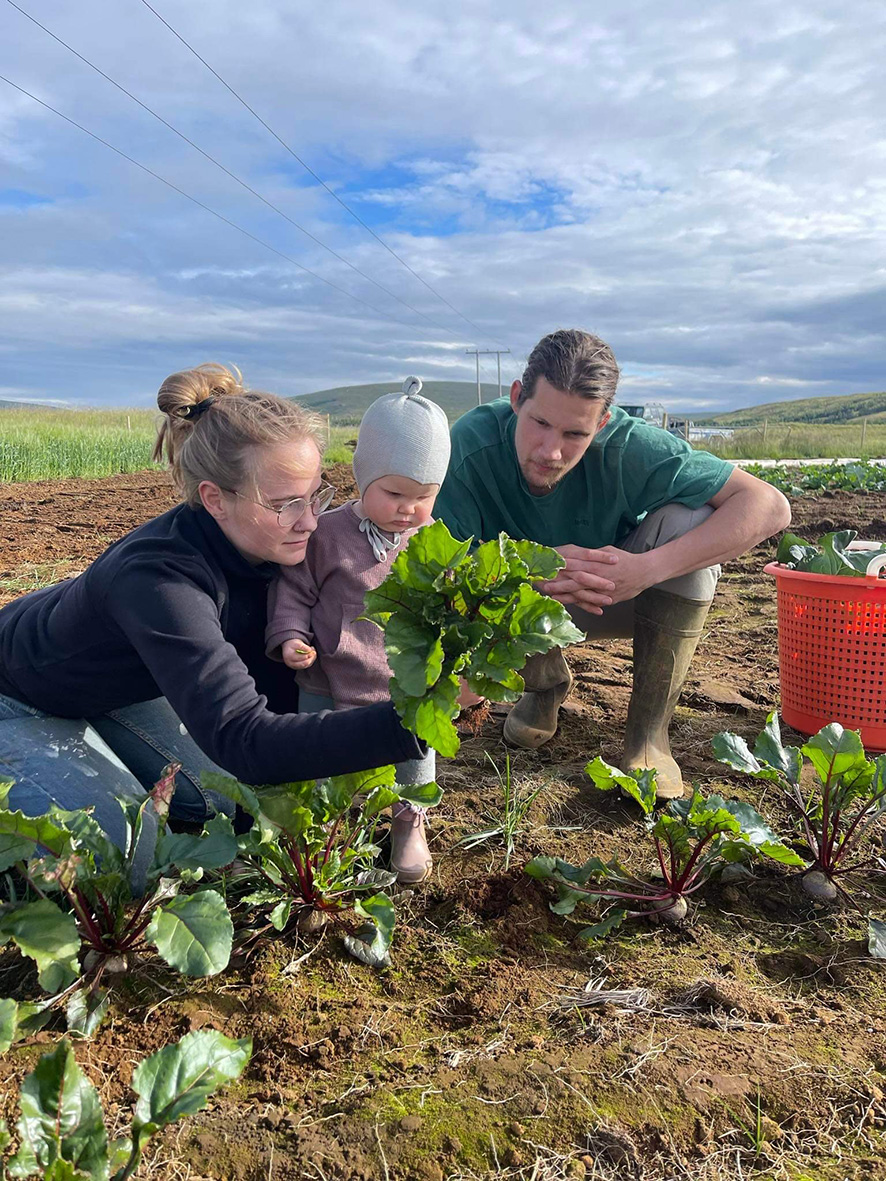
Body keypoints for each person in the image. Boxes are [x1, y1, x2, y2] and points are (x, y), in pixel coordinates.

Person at [0, 364, 427, 852]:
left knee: (220, 800)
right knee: (120, 848)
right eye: (286, 504)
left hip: (117, 689)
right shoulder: (161, 581)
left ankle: (98, 747)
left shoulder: (271, 545)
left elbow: (270, 694)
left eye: (316, 497)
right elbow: (244, 739)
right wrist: (414, 716)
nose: (310, 522)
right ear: (215, 499)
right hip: (16, 695)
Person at [435, 329, 791, 799]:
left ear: (601, 423)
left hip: (612, 596)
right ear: (517, 398)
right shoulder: (470, 444)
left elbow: (769, 506)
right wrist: (527, 572)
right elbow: (440, 570)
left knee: (689, 520)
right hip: (518, 608)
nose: (551, 451)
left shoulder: (630, 445)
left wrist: (647, 569)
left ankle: (649, 735)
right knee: (464, 582)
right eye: (540, 423)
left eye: (575, 434)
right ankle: (543, 687)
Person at [264, 378, 451, 885]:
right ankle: (320, 825)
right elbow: (295, 590)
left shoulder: (433, 540)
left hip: (404, 682)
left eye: (425, 496)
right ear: (363, 475)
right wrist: (291, 638)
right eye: (394, 493)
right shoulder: (327, 533)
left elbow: (449, 606)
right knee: (317, 754)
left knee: (415, 753)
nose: (408, 508)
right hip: (328, 675)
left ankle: (408, 821)